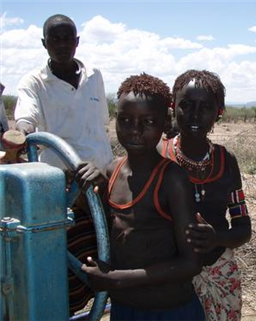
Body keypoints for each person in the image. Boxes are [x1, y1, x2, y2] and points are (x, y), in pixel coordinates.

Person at [77, 73, 205, 321]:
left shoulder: (172, 180)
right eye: (125, 120)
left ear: (164, 124)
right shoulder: (111, 172)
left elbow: (191, 263)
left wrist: (116, 278)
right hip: (125, 310)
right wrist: (90, 188)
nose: (134, 130)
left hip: (170, 311)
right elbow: (107, 230)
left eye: (147, 122)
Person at [14, 14, 113, 314]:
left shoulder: (94, 75)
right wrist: (22, 134)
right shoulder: (34, 82)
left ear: (77, 41)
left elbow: (102, 126)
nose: (61, 45)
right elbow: (26, 121)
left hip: (103, 180)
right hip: (67, 189)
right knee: (71, 265)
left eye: (67, 38)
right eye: (54, 39)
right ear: (44, 44)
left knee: (117, 252)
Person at [159, 70, 252, 321]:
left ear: (218, 113)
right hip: (169, 277)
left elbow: (243, 228)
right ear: (173, 106)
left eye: (206, 107)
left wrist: (216, 238)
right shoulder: (159, 156)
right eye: (186, 105)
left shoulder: (226, 161)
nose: (195, 115)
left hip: (219, 270)